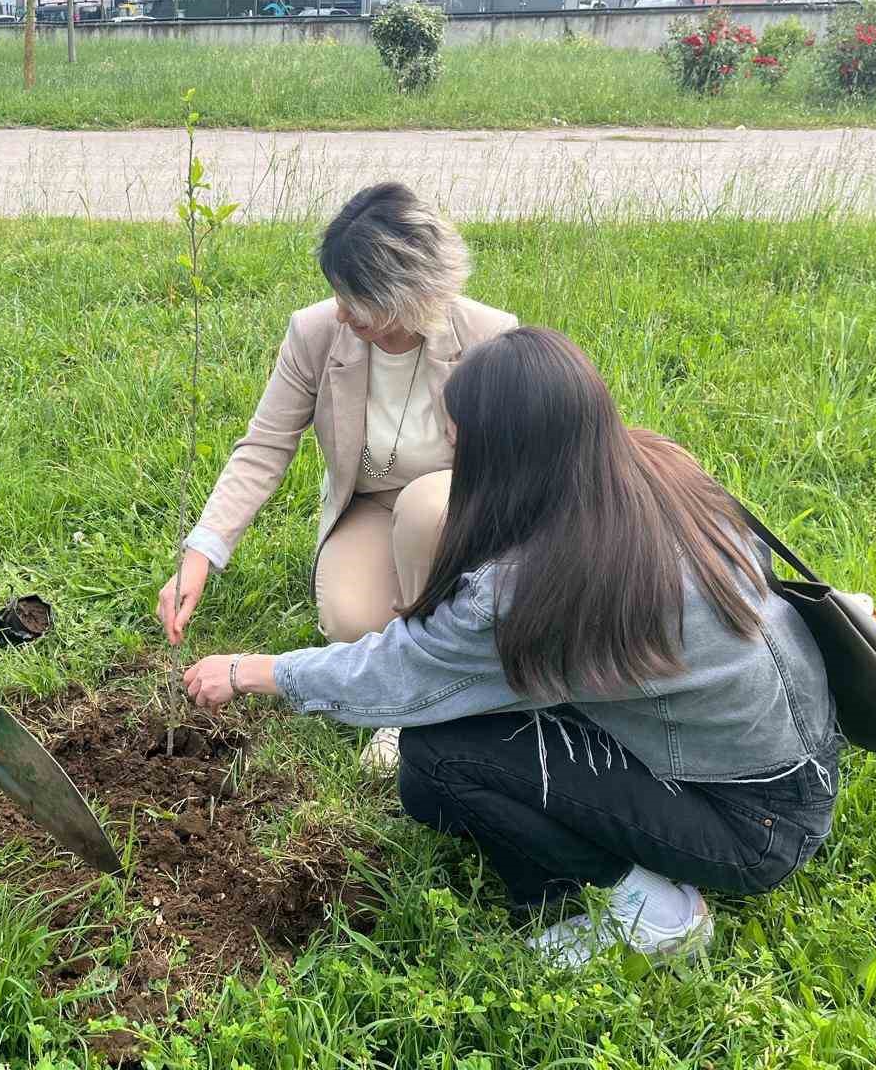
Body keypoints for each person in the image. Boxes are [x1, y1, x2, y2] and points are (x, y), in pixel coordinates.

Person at [181, 327, 839, 967]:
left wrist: (251, 671)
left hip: (748, 826)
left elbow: (400, 673)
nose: (450, 453)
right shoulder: (656, 471)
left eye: (457, 439)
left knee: (438, 757)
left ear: (507, 453)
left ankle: (651, 911)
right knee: (428, 784)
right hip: (796, 761)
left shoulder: (539, 584)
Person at [156, 182, 516, 771]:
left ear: (407, 295)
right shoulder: (315, 333)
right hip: (371, 505)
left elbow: (517, 465)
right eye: (338, 294)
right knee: (350, 618)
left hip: (461, 515)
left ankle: (412, 705)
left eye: (358, 300)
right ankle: (411, 657)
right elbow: (264, 447)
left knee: (428, 507)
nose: (342, 313)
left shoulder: (488, 338)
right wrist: (200, 555)